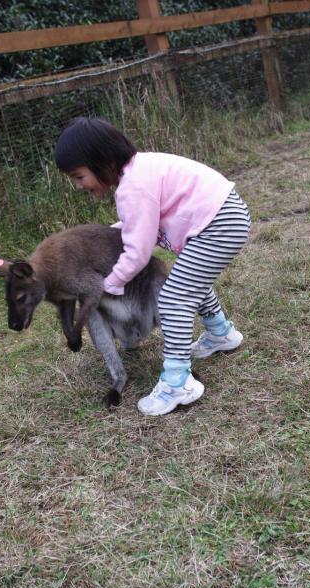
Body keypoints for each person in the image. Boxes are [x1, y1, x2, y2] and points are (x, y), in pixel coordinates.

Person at [55, 116, 251, 416]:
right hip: (225, 216)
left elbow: (137, 252)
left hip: (218, 224)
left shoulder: (133, 188)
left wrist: (111, 283)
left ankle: (177, 382)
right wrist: (109, 233)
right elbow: (137, 224)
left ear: (102, 161)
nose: (78, 185)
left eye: (79, 176)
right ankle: (220, 332)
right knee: (191, 276)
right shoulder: (139, 171)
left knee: (174, 298)